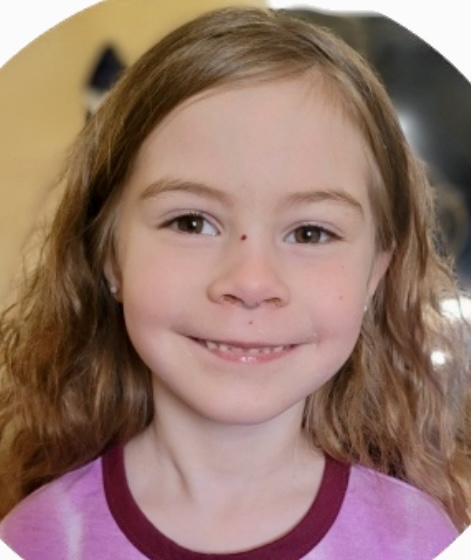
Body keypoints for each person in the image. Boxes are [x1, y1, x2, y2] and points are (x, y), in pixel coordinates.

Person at [0, 7, 470, 560]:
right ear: (110, 255)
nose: (250, 282)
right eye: (190, 222)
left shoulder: (421, 540)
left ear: (375, 275)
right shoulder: (35, 538)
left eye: (311, 232)